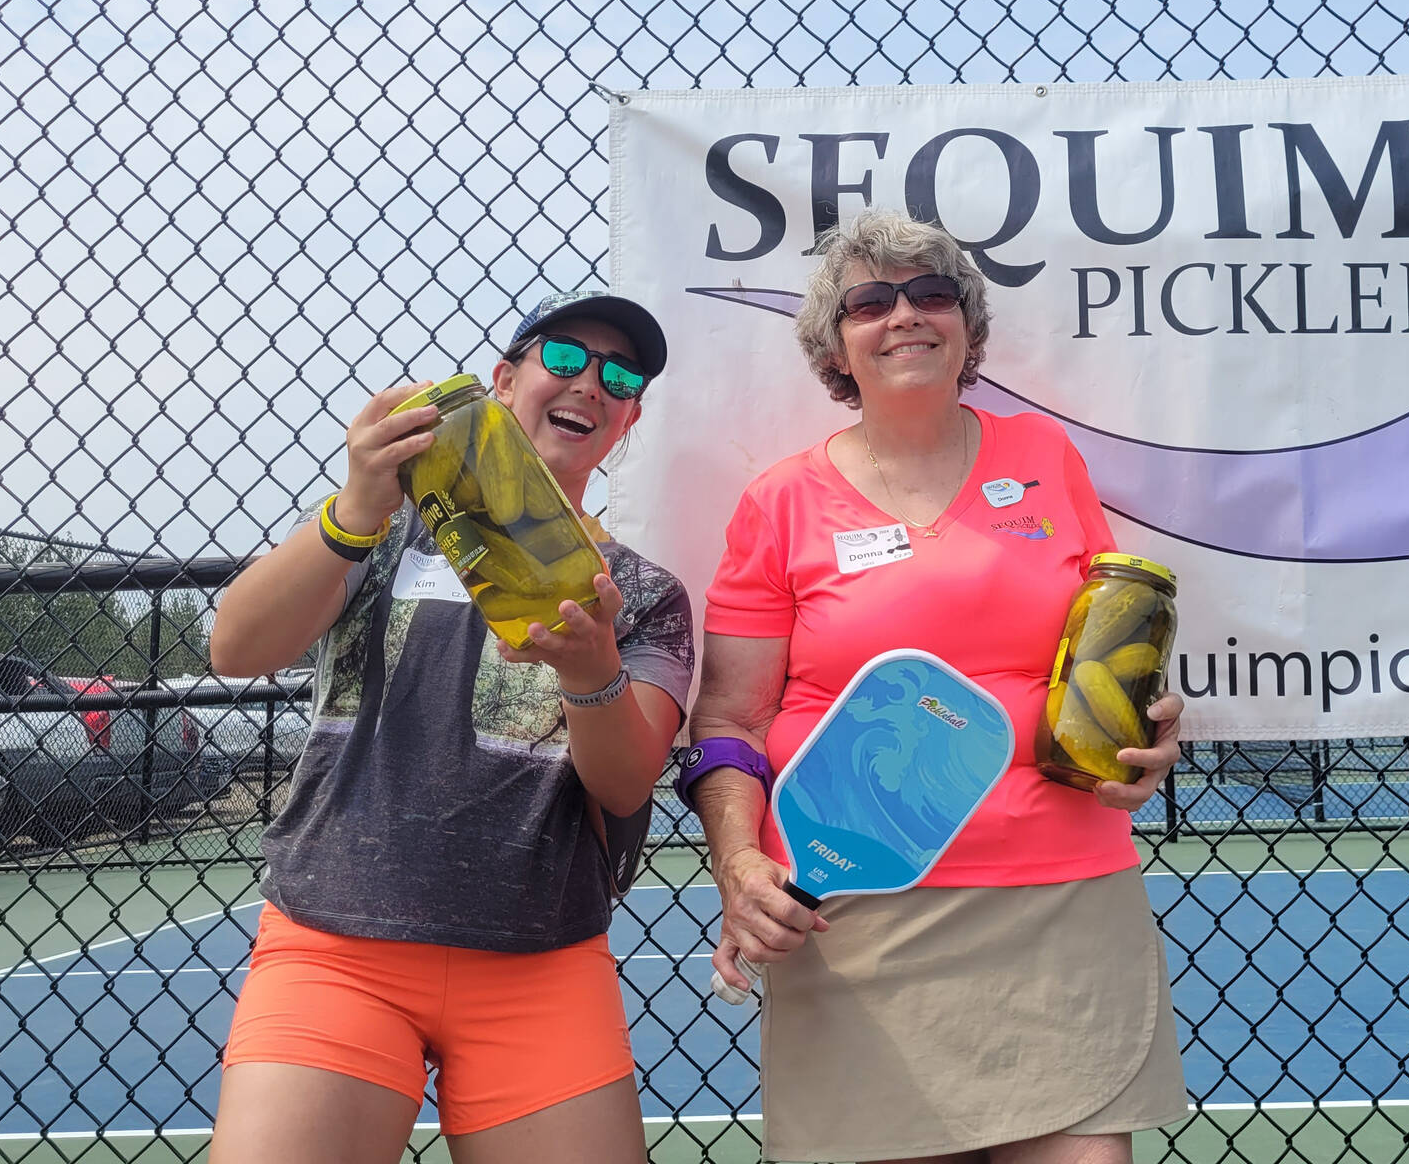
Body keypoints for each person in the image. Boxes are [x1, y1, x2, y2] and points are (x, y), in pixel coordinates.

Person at [683, 210, 1188, 1163]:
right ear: (836, 345)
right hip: (862, 900)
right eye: (870, 302)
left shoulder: (1046, 459)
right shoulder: (780, 500)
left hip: (1061, 892)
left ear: (966, 325)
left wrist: (1148, 733)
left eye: (931, 294)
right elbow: (729, 719)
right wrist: (740, 867)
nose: (904, 315)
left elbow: (1108, 654)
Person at [206, 291, 692, 1164]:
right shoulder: (380, 533)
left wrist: (592, 674)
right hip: (334, 944)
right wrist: (356, 501)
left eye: (619, 377)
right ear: (504, 380)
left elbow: (623, 783)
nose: (591, 383)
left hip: (540, 958)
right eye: (565, 359)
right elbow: (235, 647)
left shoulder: (643, 593)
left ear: (628, 419)